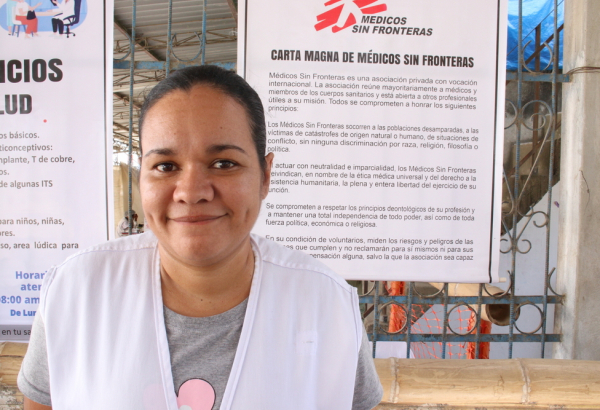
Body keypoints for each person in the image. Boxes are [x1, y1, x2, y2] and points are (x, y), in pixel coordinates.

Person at [18, 65, 383, 410]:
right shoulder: (75, 292)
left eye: (224, 163)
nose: (191, 192)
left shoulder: (327, 305)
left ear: (265, 176)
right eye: (165, 166)